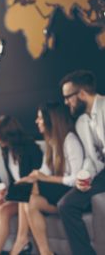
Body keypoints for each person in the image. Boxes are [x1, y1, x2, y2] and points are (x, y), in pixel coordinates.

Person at [12, 102, 83, 255]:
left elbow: (76, 178)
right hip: (58, 190)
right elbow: (44, 170)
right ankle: (45, 252)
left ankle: (21, 240)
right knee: (28, 199)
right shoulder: (51, 141)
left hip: (73, 190)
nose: (36, 121)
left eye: (40, 118)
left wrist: (44, 178)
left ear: (51, 120)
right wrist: (28, 178)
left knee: (26, 190)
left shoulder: (70, 140)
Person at [0, 115, 43, 255]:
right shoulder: (7, 150)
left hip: (32, 194)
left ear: (10, 135)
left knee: (3, 210)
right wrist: (6, 191)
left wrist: (12, 192)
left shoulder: (32, 149)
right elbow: (14, 181)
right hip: (18, 194)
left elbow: (35, 181)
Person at [58, 70, 105, 255]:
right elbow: (91, 160)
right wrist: (83, 177)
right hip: (102, 174)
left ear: (82, 94)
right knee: (66, 205)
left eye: (68, 97)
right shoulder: (81, 122)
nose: (66, 102)